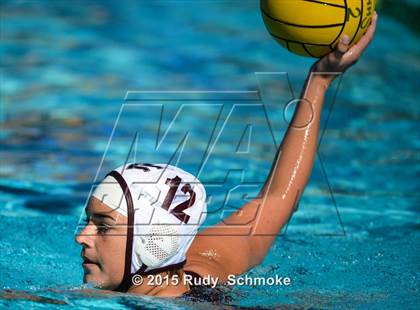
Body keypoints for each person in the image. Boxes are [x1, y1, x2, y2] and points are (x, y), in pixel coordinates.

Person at [75, 12, 378, 299]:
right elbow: (276, 199)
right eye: (90, 222)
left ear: (154, 243)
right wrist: (320, 80)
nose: (82, 236)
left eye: (103, 225)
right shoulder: (203, 263)